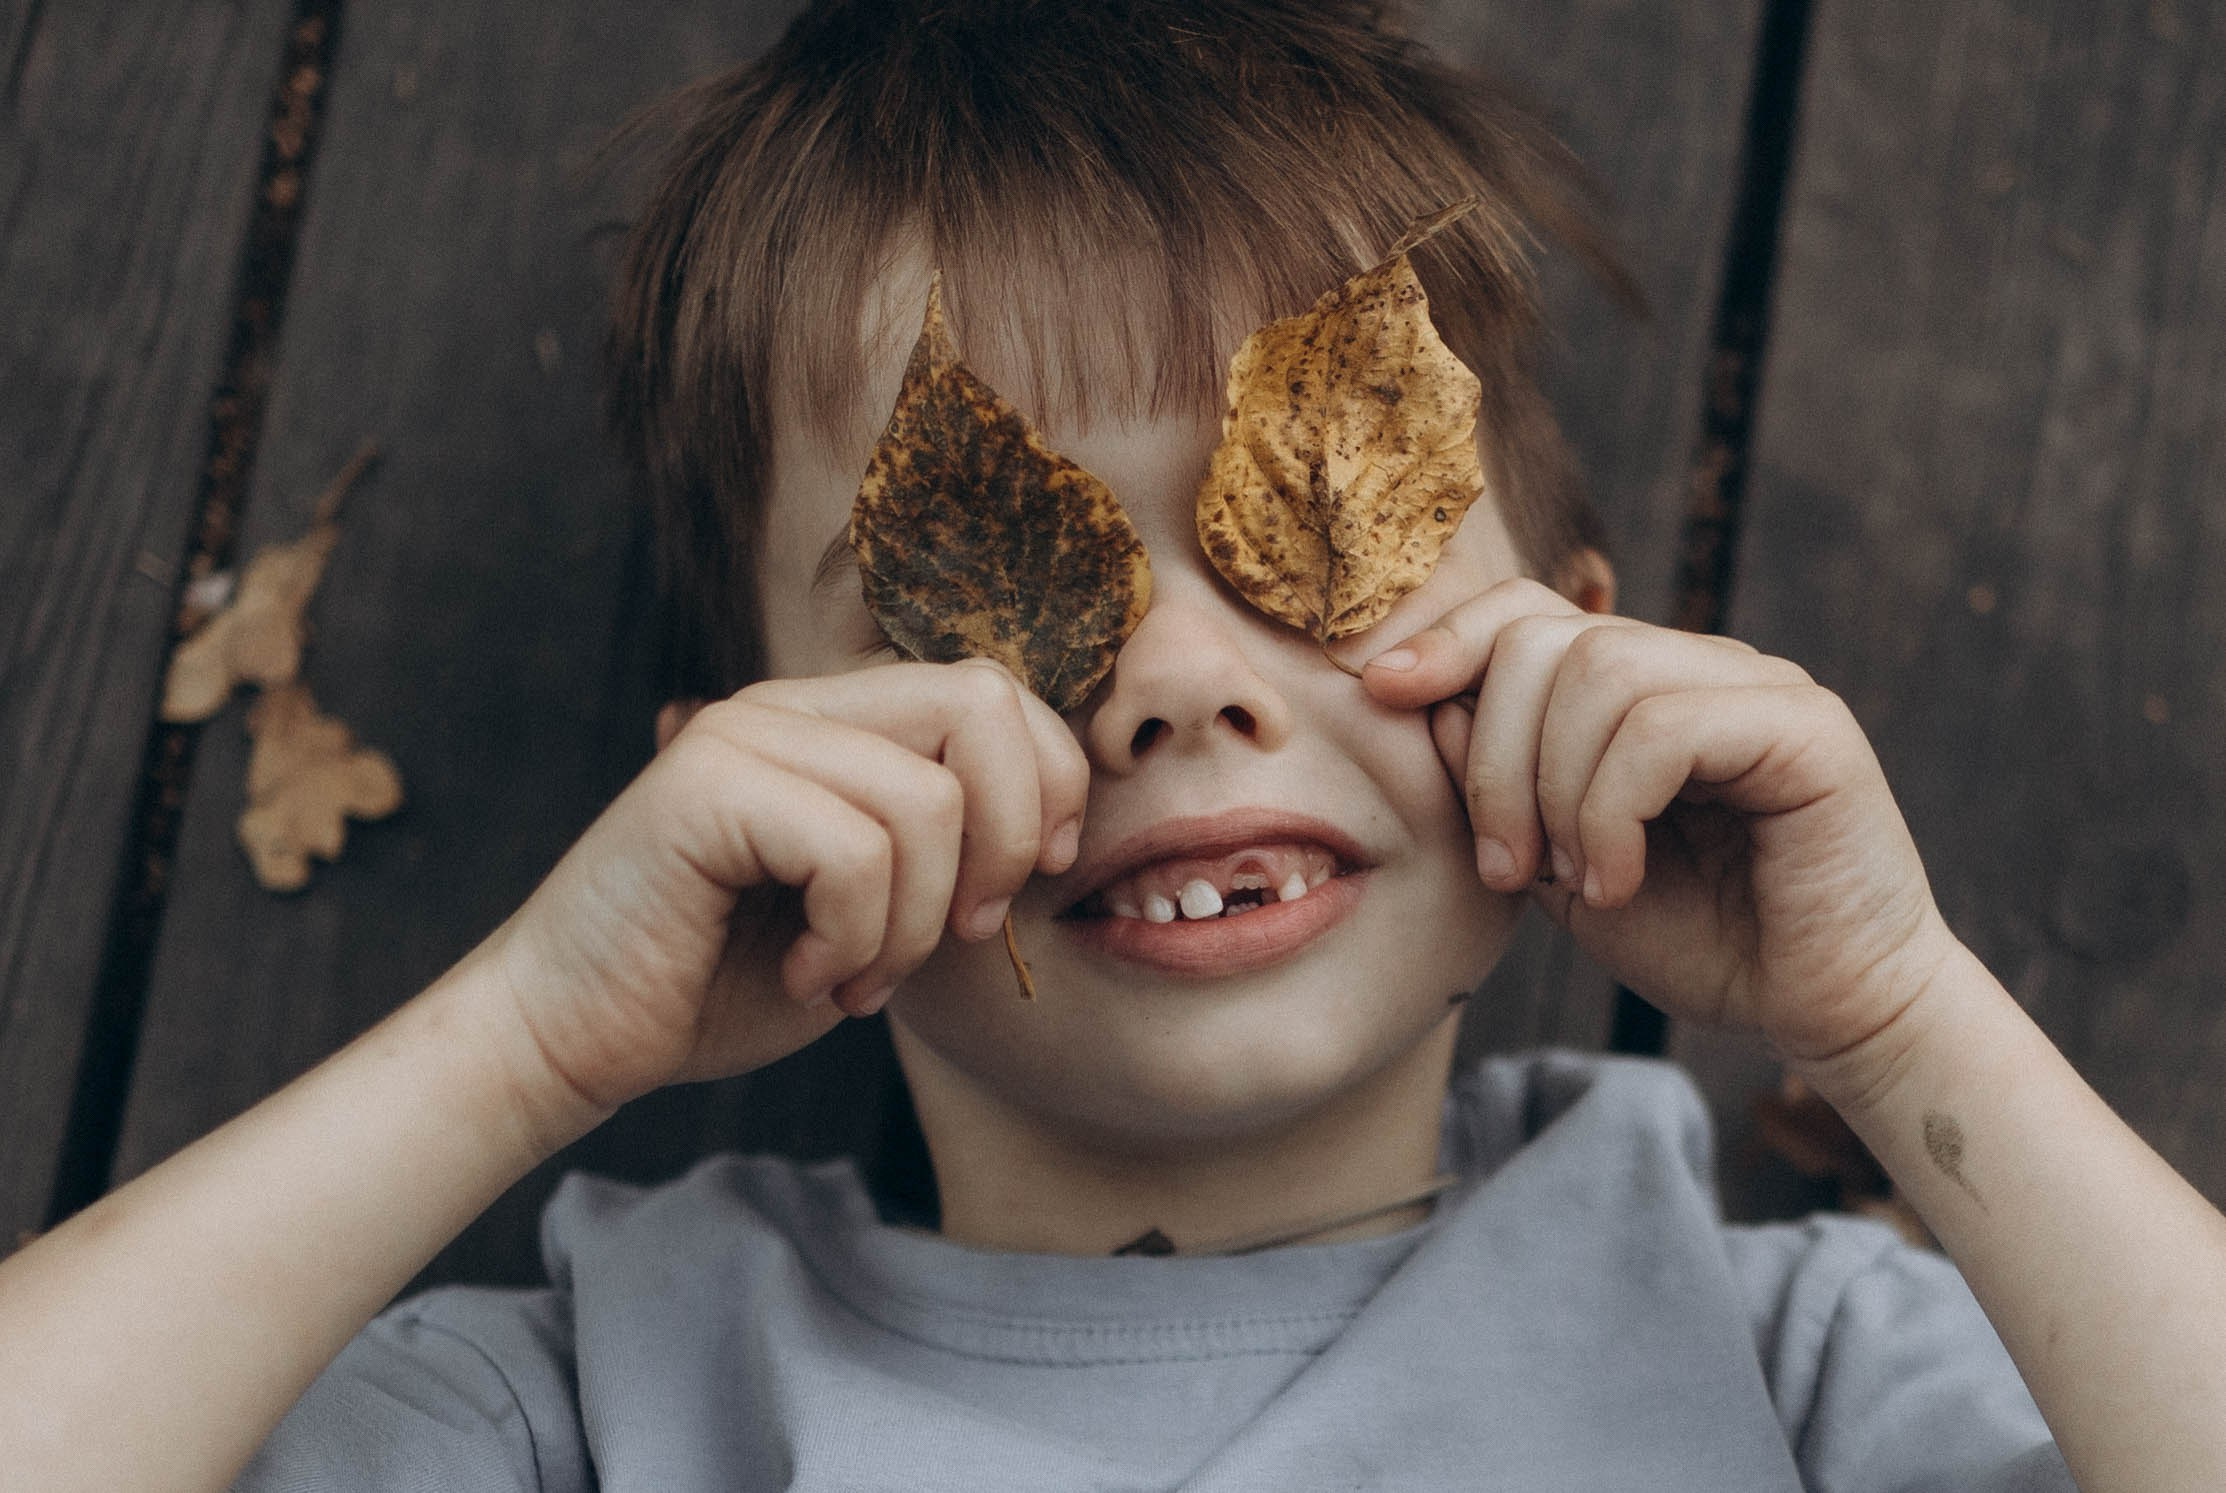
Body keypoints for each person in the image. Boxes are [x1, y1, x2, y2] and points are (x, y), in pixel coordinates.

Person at [5, 2, 2222, 1488]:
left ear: (1585, 656)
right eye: (976, 583)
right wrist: (518, 1042)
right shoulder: (591, 1397)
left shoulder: (1811, 1369)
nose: (1168, 683)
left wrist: (1901, 1007)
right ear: (740, 786)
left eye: (1328, 529)